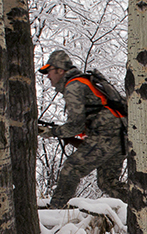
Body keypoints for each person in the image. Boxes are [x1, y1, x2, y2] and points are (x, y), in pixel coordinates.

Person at [38, 50, 127, 207]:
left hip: (107, 136)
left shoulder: (73, 86)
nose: (47, 76)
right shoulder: (83, 82)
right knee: (108, 183)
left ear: (60, 70)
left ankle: (55, 211)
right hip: (121, 136)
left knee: (71, 168)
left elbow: (75, 125)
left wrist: (51, 132)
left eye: (49, 71)